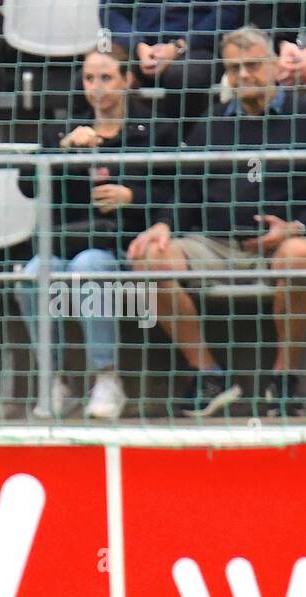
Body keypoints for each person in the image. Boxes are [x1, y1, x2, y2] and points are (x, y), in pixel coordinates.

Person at [127, 25, 306, 417]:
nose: (243, 76)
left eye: (253, 65)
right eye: (234, 68)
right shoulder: (211, 125)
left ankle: (284, 377)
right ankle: (209, 374)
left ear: (276, 66)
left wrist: (295, 227)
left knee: (299, 255)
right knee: (147, 256)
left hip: (283, 244)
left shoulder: (302, 118)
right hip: (216, 243)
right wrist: (164, 225)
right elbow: (186, 190)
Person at [16, 48, 175, 420]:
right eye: (90, 79)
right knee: (31, 275)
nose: (97, 88)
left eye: (106, 78)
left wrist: (132, 196)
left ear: (126, 80)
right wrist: (63, 150)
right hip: (67, 242)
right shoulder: (64, 129)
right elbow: (26, 183)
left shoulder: (153, 128)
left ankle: (107, 378)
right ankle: (53, 380)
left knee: (89, 267)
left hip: (123, 244)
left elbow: (178, 191)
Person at [102, 1, 242, 122]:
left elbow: (228, 11)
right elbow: (110, 9)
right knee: (95, 73)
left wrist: (179, 46)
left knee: (184, 76)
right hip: (139, 48)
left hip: (199, 46)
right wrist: (137, 45)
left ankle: (178, 144)